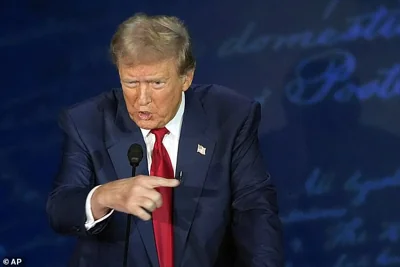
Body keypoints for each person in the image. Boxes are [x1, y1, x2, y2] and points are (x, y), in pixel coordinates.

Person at [46, 12, 284, 267]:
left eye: (156, 83)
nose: (142, 98)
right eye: (131, 83)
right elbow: (60, 209)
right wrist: (104, 196)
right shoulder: (88, 122)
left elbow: (255, 211)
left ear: (186, 78)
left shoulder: (229, 117)